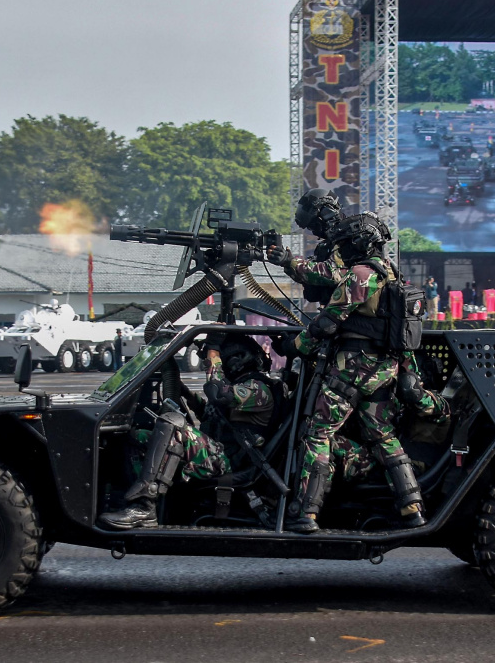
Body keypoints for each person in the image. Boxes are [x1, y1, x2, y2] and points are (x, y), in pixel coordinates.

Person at [283, 212, 426, 534]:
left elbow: (328, 322)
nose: (340, 252)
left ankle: (306, 512)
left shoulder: (360, 275)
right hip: (384, 372)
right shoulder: (392, 275)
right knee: (384, 437)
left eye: (343, 245)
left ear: (358, 243)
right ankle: (412, 508)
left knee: (318, 433)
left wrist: (295, 346)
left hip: (352, 370)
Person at [97, 335, 279, 530]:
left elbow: (219, 394)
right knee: (137, 437)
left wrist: (213, 355)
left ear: (236, 360)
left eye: (224, 359)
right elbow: (213, 413)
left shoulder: (258, 389)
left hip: (230, 461)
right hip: (218, 452)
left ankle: (144, 506)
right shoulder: (242, 387)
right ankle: (126, 499)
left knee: (174, 426)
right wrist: (182, 391)